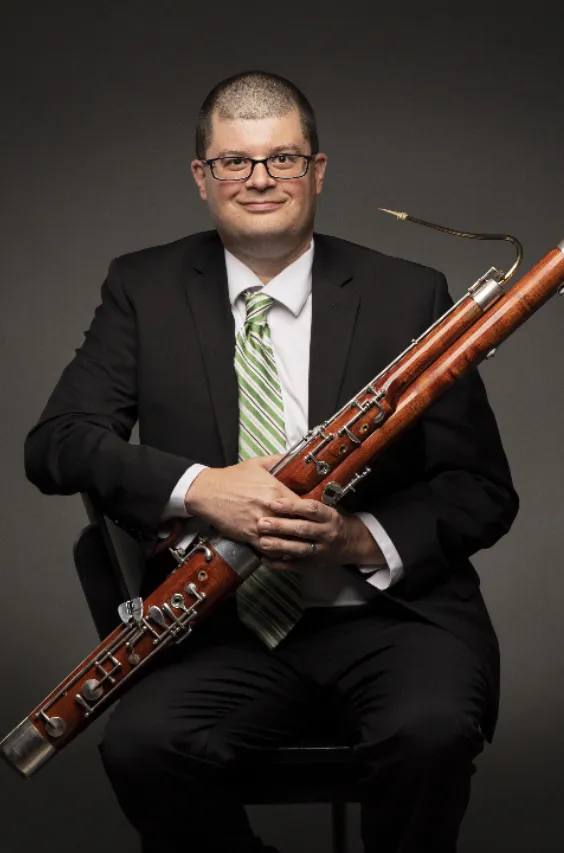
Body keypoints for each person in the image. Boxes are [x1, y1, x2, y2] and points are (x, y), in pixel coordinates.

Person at [24, 71, 519, 853]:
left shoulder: (408, 292)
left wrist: (357, 538)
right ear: (202, 177)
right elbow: (56, 445)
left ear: (317, 171)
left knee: (429, 733)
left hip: (388, 621)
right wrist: (200, 489)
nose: (260, 179)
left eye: (283, 159)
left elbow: (482, 491)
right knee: (142, 747)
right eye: (235, 161)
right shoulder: (142, 287)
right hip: (221, 632)